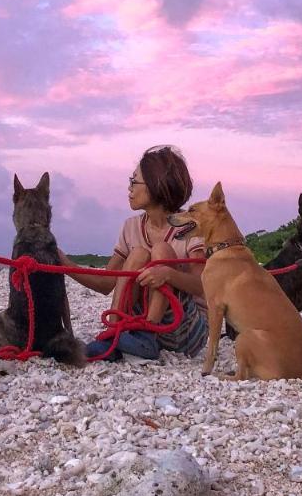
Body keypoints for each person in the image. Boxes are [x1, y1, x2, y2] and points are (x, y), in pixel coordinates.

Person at [58, 145, 208, 361]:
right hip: (136, 326)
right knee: (138, 254)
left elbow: (202, 285)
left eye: (134, 181)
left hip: (185, 329)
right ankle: (114, 331)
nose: (129, 188)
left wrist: (168, 274)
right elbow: (106, 283)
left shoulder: (189, 226)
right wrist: (63, 262)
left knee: (161, 251)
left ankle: (146, 336)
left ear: (156, 184)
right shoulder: (130, 227)